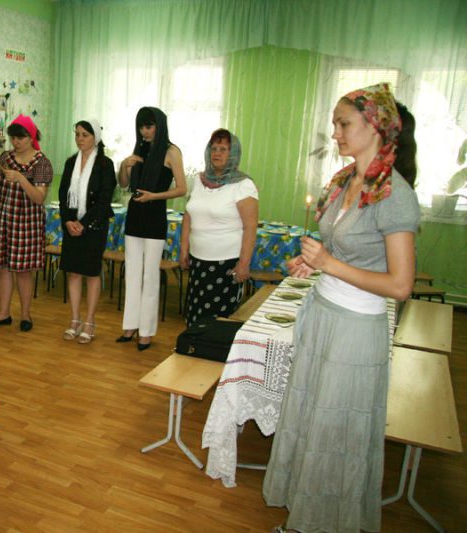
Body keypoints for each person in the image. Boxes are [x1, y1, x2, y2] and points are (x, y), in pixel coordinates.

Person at [262, 83, 419, 533]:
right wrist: (313, 263)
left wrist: (329, 263)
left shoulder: (394, 194)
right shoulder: (345, 181)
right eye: (334, 124)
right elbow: (342, 254)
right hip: (324, 315)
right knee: (312, 419)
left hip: (355, 329)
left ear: (376, 127)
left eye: (343, 123)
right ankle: (306, 518)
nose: (335, 133)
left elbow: (401, 285)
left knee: (334, 432)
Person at [116, 107, 187, 350]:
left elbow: (182, 188)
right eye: (141, 127)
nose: (144, 131)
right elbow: (123, 184)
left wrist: (153, 196)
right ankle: (130, 326)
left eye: (149, 126)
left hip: (155, 216)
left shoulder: (171, 151)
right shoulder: (139, 149)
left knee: (150, 276)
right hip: (135, 216)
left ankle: (146, 332)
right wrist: (123, 165)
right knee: (132, 273)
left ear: (159, 126)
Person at [179, 129, 258, 323]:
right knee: (195, 317)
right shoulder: (198, 180)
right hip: (198, 262)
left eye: (223, 149)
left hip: (226, 266)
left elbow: (250, 228)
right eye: (213, 148)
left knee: (218, 323)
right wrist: (184, 249)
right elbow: (188, 215)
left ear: (233, 153)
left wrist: (244, 264)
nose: (217, 153)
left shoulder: (243, 185)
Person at [0, 115, 53, 332]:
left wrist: (21, 178)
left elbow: (39, 198)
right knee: (3, 268)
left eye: (20, 138)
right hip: (5, 221)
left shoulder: (41, 162)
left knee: (23, 272)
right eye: (13, 138)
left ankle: (25, 315)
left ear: (31, 137)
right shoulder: (5, 157)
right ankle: (3, 313)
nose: (16, 142)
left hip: (27, 225)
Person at [58, 119, 116, 344]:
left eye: (85, 135)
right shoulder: (70, 162)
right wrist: (68, 221)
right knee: (73, 272)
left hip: (94, 226)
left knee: (92, 273)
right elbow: (63, 196)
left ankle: (90, 321)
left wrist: (83, 223)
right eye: (77, 134)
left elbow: (104, 199)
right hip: (72, 226)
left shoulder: (105, 164)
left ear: (95, 138)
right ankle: (75, 319)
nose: (80, 139)